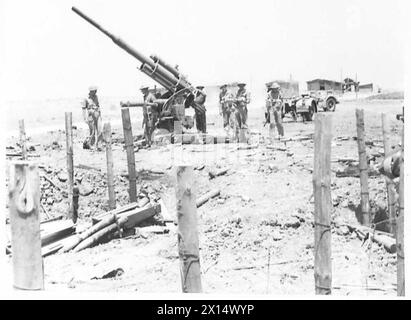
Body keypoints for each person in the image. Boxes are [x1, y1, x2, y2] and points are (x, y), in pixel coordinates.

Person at [82, 86, 103, 150]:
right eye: (94, 91)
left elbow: (98, 105)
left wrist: (100, 114)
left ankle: (99, 145)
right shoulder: (86, 98)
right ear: (91, 91)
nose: (95, 92)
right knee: (92, 132)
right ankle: (91, 145)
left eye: (96, 90)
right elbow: (83, 108)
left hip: (97, 113)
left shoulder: (96, 97)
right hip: (91, 115)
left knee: (100, 130)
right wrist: (85, 118)